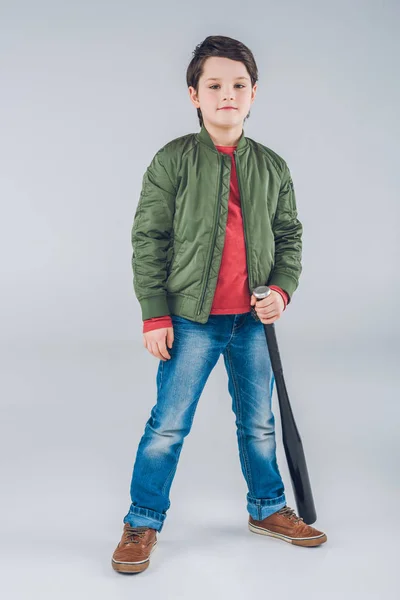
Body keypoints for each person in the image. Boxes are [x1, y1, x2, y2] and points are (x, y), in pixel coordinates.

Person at [112, 35, 327, 575]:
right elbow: (149, 239)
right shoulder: (174, 161)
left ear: (254, 93)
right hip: (190, 320)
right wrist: (155, 313)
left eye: (238, 85)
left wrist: (280, 290)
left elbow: (289, 236)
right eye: (214, 85)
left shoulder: (272, 167)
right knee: (168, 424)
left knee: (259, 423)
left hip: (253, 323)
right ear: (194, 95)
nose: (226, 94)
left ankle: (267, 508)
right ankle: (142, 520)